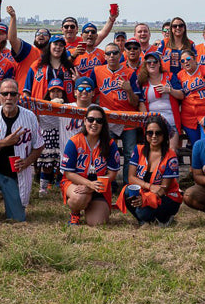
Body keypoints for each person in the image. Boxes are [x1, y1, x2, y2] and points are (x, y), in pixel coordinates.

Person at [0, 79, 44, 224]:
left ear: (18, 97)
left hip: (14, 176)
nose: (9, 97)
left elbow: (39, 146)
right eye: (5, 93)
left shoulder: (29, 116)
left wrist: (27, 162)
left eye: (13, 94)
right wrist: (5, 142)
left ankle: (6, 200)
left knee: (17, 219)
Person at [91, 42, 145, 185]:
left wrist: (129, 90)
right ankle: (110, 183)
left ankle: (128, 184)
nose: (112, 56)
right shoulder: (97, 71)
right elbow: (89, 91)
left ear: (121, 55)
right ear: (105, 56)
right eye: (108, 53)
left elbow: (135, 102)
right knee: (106, 152)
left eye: (115, 52)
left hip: (128, 119)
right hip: (108, 119)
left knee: (129, 154)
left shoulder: (130, 73)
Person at [60, 105, 120, 226]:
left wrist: (93, 187)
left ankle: (90, 205)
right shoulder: (74, 141)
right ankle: (75, 213)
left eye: (99, 120)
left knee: (97, 223)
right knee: (79, 199)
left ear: (103, 124)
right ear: (85, 120)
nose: (94, 123)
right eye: (91, 119)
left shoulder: (110, 144)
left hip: (99, 186)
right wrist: (88, 184)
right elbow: (69, 173)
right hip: (76, 182)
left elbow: (112, 174)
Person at [124, 116, 182, 226]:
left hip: (166, 197)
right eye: (150, 133)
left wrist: (145, 198)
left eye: (158, 133)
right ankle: (145, 221)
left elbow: (163, 189)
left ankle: (164, 218)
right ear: (145, 134)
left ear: (164, 135)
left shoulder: (171, 156)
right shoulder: (138, 150)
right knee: (127, 192)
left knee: (142, 212)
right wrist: (149, 187)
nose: (154, 136)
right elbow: (131, 178)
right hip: (147, 191)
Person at [137, 51, 182, 149]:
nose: (152, 64)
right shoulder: (142, 81)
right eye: (149, 62)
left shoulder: (169, 77)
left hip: (171, 120)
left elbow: (181, 95)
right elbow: (140, 102)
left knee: (172, 150)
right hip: (153, 121)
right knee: (154, 151)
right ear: (145, 65)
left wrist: (169, 90)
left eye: (155, 61)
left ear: (159, 63)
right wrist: (148, 121)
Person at [176, 48, 205, 145]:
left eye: (188, 59)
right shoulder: (179, 75)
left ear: (195, 58)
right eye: (182, 61)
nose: (186, 62)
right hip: (188, 117)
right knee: (196, 145)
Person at [36, 78, 66, 197]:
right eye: (53, 91)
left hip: (61, 135)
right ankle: (43, 188)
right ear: (49, 93)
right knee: (46, 164)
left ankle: (60, 186)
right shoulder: (43, 106)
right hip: (48, 136)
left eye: (58, 91)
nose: (55, 94)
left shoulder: (67, 106)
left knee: (60, 163)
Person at [24, 34, 76, 102]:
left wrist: (77, 81)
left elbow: (77, 92)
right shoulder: (37, 65)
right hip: (40, 107)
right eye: (55, 44)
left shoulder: (69, 67)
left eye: (61, 45)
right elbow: (27, 90)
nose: (58, 47)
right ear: (49, 46)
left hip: (66, 108)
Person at [6, 6, 45, 91]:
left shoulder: (54, 57)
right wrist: (13, 17)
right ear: (34, 38)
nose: (41, 35)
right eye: (38, 34)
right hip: (22, 96)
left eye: (45, 34)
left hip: (40, 98)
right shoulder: (29, 50)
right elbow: (12, 39)